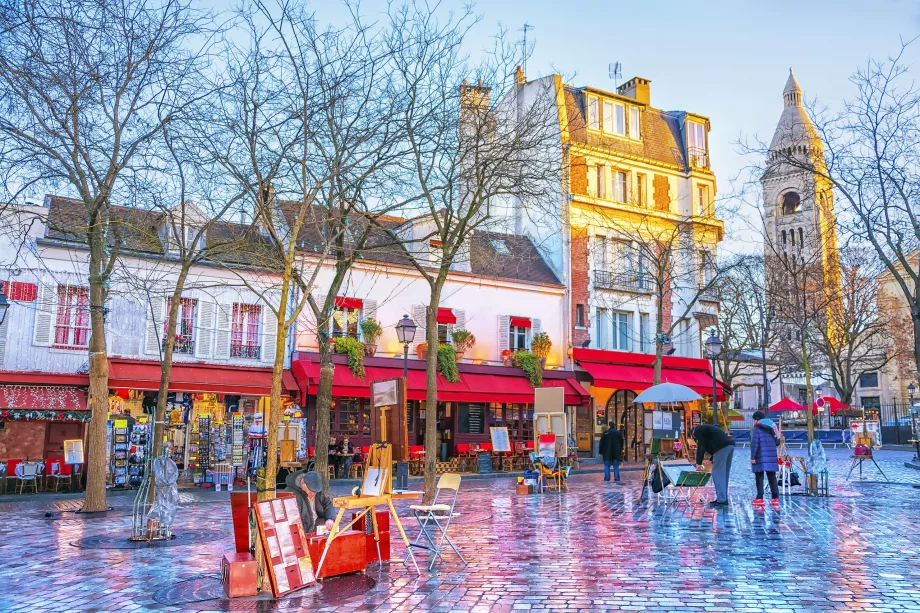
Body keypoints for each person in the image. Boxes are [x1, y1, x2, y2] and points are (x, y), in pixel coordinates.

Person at [692, 424, 735, 507]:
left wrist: (698, 463)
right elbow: (713, 441)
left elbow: (701, 447)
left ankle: (721, 500)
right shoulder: (707, 429)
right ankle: (723, 498)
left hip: (721, 448)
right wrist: (711, 459)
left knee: (717, 474)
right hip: (730, 446)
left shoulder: (699, 431)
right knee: (724, 474)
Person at [750, 410, 780, 508]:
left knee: (759, 476)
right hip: (771, 454)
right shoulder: (773, 426)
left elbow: (755, 443)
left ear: (757, 419)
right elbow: (778, 441)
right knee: (772, 476)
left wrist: (753, 457)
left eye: (755, 420)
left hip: (759, 455)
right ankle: (775, 498)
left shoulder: (757, 428)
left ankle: (760, 498)